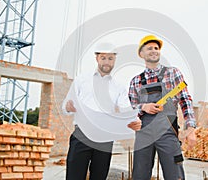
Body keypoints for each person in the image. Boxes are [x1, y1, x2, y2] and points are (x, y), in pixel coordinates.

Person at [62, 42, 141, 180]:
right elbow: (65, 106)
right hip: (82, 135)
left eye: (110, 58)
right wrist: (68, 107)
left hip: (104, 137)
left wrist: (134, 120)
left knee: (99, 176)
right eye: (103, 58)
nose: (107, 62)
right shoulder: (82, 80)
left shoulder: (119, 87)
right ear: (97, 58)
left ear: (115, 60)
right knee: (74, 176)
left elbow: (125, 110)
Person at [128, 35, 197, 180]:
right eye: (149, 48)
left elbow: (185, 100)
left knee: (175, 174)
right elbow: (131, 108)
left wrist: (191, 129)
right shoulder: (135, 81)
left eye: (156, 48)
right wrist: (144, 107)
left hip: (167, 131)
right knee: (139, 175)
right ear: (141, 54)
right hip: (143, 133)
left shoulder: (172, 73)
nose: (154, 51)